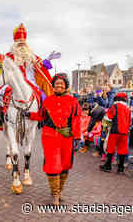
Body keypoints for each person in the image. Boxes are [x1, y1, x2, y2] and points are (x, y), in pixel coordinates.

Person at [23, 73, 81, 205]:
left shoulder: (73, 101)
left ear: (66, 86)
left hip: (66, 137)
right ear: (53, 86)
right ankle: (54, 195)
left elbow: (77, 120)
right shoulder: (48, 100)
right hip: (50, 137)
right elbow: (41, 116)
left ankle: (59, 191)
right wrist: (28, 114)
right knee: (52, 165)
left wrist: (77, 138)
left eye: (61, 83)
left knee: (65, 164)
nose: (59, 85)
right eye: (56, 84)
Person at [100, 93, 131, 173]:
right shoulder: (127, 108)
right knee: (122, 149)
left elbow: (108, 118)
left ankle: (108, 166)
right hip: (125, 132)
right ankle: (120, 168)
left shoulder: (114, 107)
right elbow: (129, 121)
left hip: (115, 130)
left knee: (111, 148)